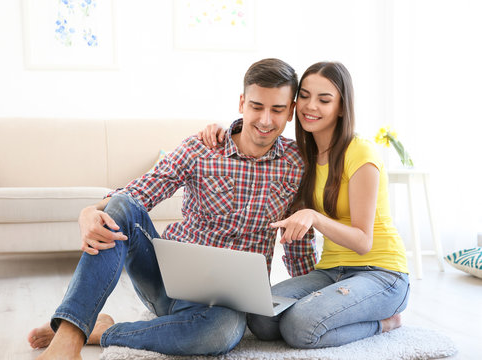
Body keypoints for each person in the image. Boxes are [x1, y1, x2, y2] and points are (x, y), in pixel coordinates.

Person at [27, 58, 317, 359]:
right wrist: (88, 211)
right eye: (257, 106)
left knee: (224, 332)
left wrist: (312, 301)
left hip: (227, 306)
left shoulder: (298, 166)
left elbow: (300, 246)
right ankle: (70, 337)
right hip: (166, 283)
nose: (266, 120)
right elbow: (137, 194)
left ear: (292, 111)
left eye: (278, 109)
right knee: (122, 208)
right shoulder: (202, 148)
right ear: (242, 103)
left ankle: (98, 329)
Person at [199, 61, 410, 348]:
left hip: (380, 273)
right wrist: (222, 131)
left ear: (342, 107)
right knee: (260, 317)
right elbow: (255, 132)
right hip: (330, 271)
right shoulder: (303, 156)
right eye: (306, 96)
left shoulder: (360, 151)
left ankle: (385, 322)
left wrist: (315, 217)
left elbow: (363, 242)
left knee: (301, 327)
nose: (311, 106)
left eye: (324, 100)